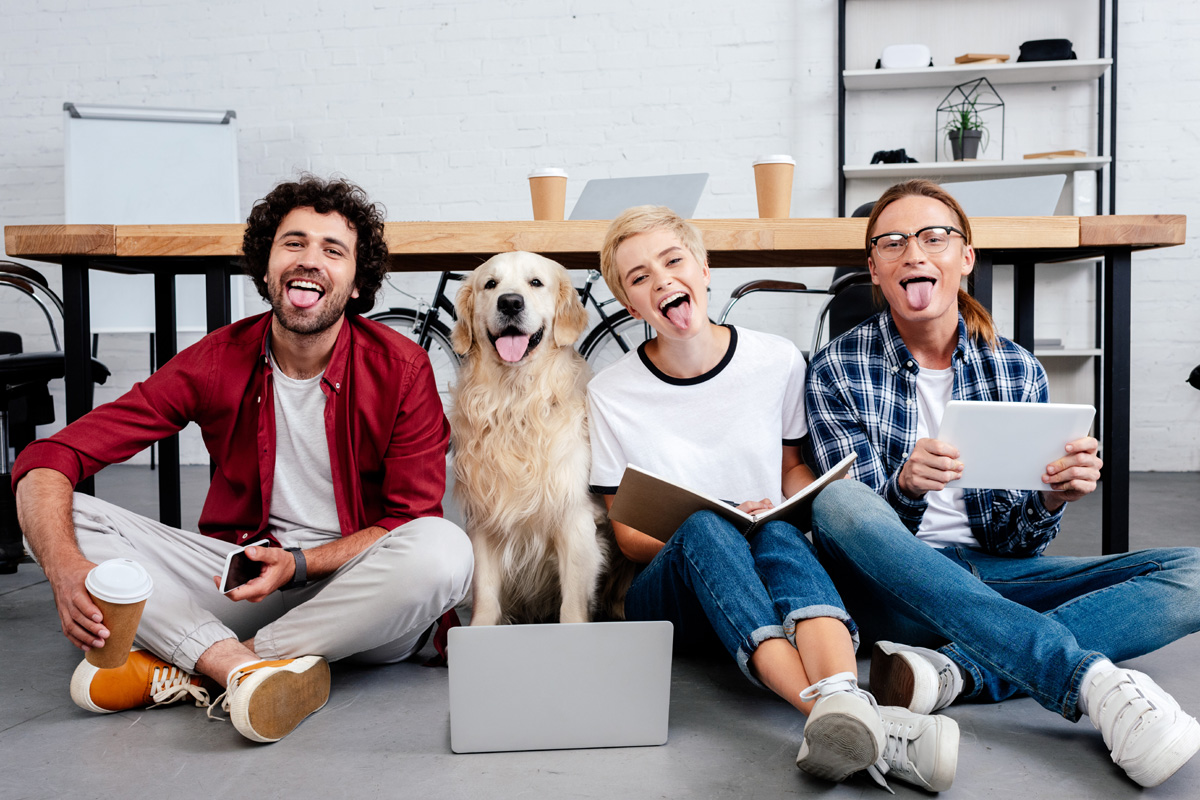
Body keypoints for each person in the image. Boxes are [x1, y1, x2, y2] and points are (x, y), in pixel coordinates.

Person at [13, 175, 473, 743]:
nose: (310, 261)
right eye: (294, 243)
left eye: (333, 250)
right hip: (245, 580)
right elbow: (51, 457)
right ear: (265, 266)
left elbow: (408, 519)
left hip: (365, 600)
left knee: (445, 549)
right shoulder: (216, 359)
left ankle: (205, 663)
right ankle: (243, 671)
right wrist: (65, 569)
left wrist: (302, 563)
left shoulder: (401, 369)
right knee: (63, 515)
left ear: (357, 284)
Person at [805, 178, 1200, 787]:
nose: (914, 253)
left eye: (934, 237)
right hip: (894, 592)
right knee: (838, 498)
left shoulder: (1014, 367)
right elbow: (853, 529)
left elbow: (1019, 547)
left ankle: (954, 672)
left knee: (1195, 572)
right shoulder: (838, 367)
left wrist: (1050, 496)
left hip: (993, 576)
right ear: (874, 271)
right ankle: (1088, 680)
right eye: (893, 243)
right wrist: (906, 489)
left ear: (965, 258)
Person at [588, 205, 958, 792]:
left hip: (762, 563)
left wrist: (803, 496)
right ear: (632, 306)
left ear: (706, 269)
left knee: (783, 531)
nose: (661, 280)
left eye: (673, 260)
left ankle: (842, 703)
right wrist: (713, 518)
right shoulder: (610, 392)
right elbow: (628, 536)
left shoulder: (776, 359)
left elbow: (790, 468)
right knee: (708, 528)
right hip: (669, 593)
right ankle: (839, 717)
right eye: (638, 278)